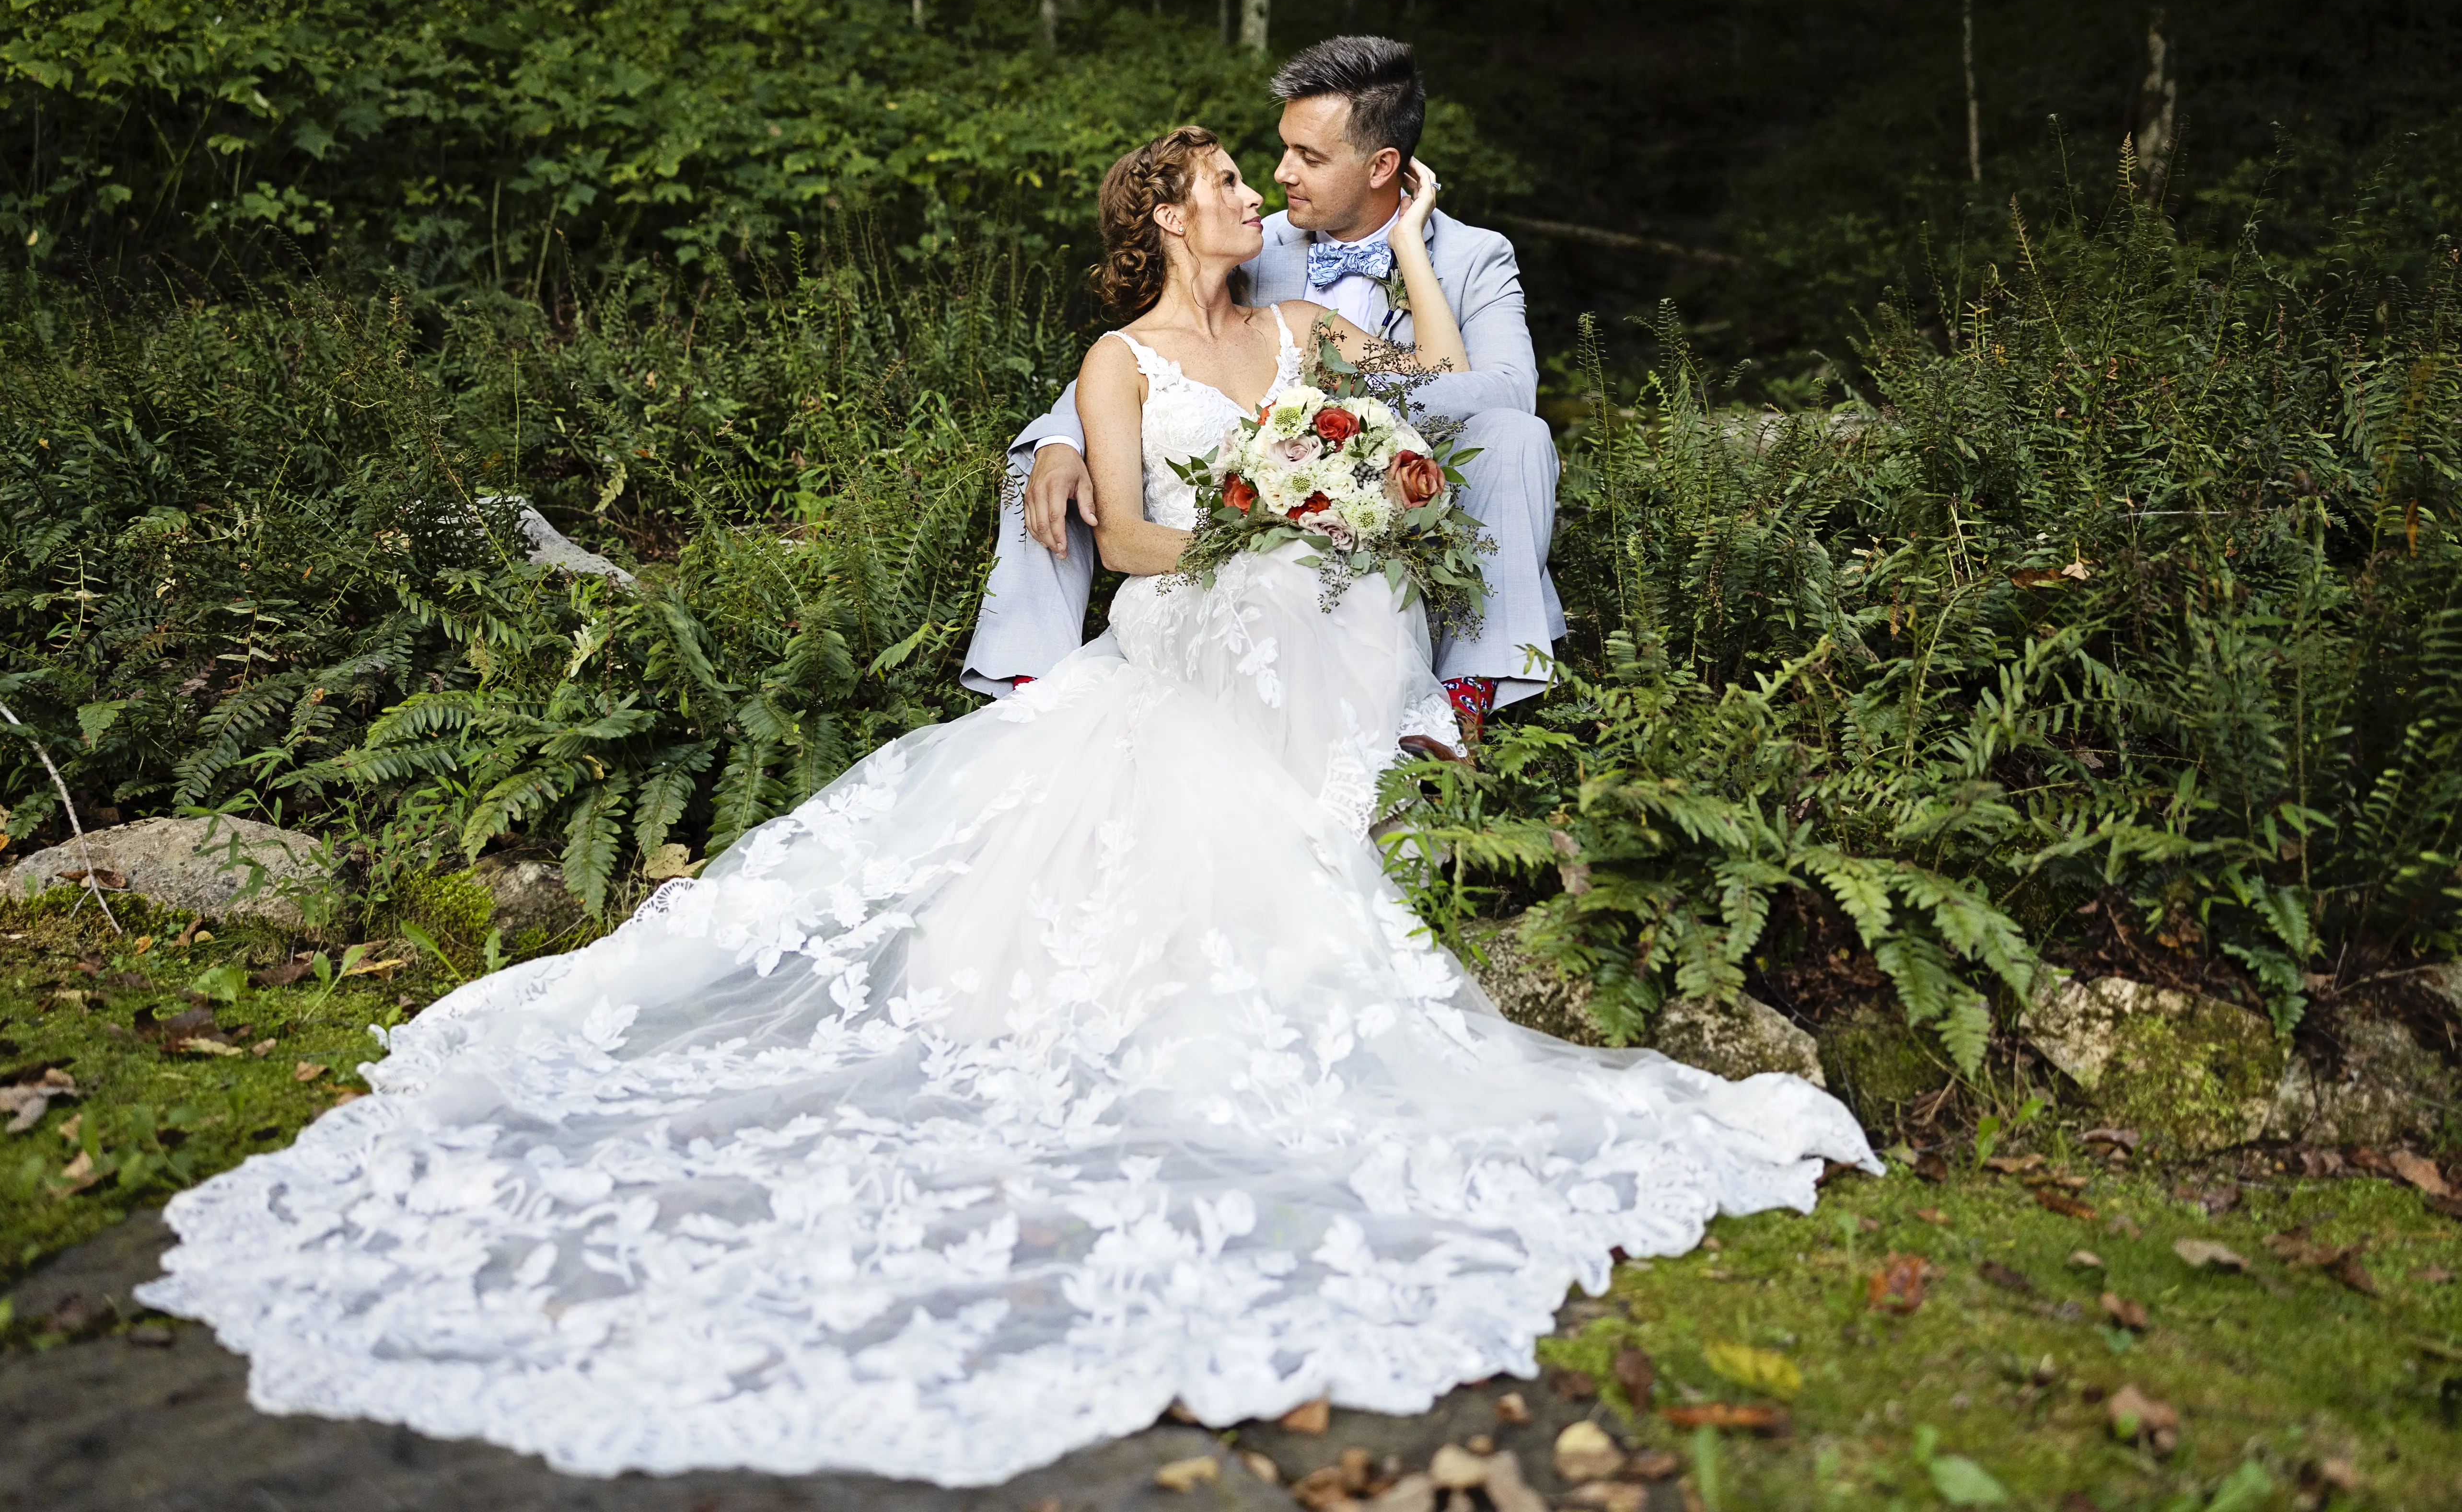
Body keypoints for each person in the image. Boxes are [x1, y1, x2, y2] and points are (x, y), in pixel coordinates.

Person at [141, 127, 1874, 1490]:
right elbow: (1122, 547)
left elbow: (1431, 370)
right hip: (1206, 607)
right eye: (1220, 183)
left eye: (1245, 178)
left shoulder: (1306, 323)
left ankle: (1377, 731)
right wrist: (1272, 519)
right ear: (1173, 218)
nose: (1247, 199)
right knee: (1169, 777)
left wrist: (1416, 247)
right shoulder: (1116, 361)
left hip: (1329, 618)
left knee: (1322, 657)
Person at [965, 36, 1562, 748]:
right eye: (1281, 150)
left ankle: (1465, 690)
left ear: (1383, 167)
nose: (1276, 178)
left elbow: (1497, 392)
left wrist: (1353, 427)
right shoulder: (1253, 241)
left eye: (1309, 158)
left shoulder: (1473, 258)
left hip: (1394, 488)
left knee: (1519, 435)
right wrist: (1065, 437)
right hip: (1240, 526)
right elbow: (1166, 353)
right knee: (1037, 463)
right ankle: (1028, 684)